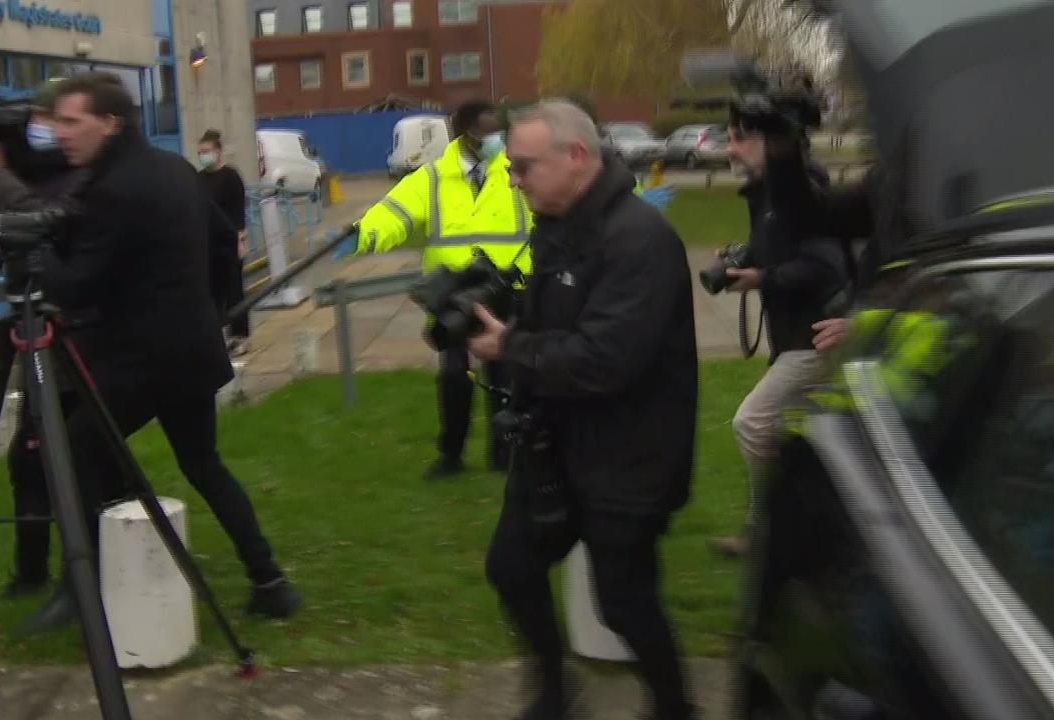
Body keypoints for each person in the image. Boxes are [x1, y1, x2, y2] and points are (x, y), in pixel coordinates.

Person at [20, 71, 300, 630]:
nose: (60, 133)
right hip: (190, 350)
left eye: (72, 122)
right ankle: (270, 582)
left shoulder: (112, 189)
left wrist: (31, 256)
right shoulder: (175, 169)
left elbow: (75, 284)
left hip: (141, 360)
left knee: (68, 451)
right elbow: (226, 243)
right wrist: (215, 308)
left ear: (110, 122)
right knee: (202, 464)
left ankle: (83, 589)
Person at [469, 99, 699, 720]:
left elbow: (603, 359)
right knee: (512, 569)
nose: (514, 179)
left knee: (624, 603)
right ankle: (553, 693)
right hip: (555, 446)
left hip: (630, 458)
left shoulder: (640, 240)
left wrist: (509, 347)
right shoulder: (558, 225)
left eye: (524, 166)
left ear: (576, 157)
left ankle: (676, 707)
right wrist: (500, 319)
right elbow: (557, 323)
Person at [0, 80, 91, 601]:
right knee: (28, 459)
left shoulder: (72, 177)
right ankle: (33, 571)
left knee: (71, 458)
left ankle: (73, 575)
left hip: (70, 333)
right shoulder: (21, 176)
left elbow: (48, 222)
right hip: (33, 322)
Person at [356, 99, 528, 479]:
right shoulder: (432, 178)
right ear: (465, 132)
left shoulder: (514, 171)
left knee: (503, 373)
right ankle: (451, 454)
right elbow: (393, 214)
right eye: (489, 131)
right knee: (454, 376)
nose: (498, 138)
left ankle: (504, 454)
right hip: (454, 294)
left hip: (504, 288)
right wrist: (364, 235)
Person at [711, 109, 852, 557]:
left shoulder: (802, 193)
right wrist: (740, 257)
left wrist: (762, 278)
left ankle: (777, 528)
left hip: (816, 339)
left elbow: (825, 266)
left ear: (771, 142)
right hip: (791, 339)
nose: (730, 148)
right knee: (795, 441)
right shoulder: (766, 195)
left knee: (753, 424)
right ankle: (776, 531)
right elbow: (779, 248)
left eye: (739, 139)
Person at [197, 129, 251, 357]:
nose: (203, 156)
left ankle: (241, 336)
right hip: (209, 244)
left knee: (234, 290)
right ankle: (220, 335)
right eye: (200, 152)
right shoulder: (199, 178)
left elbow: (239, 210)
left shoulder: (230, 177)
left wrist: (240, 239)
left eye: (207, 151)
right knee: (213, 292)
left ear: (218, 152)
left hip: (230, 241)